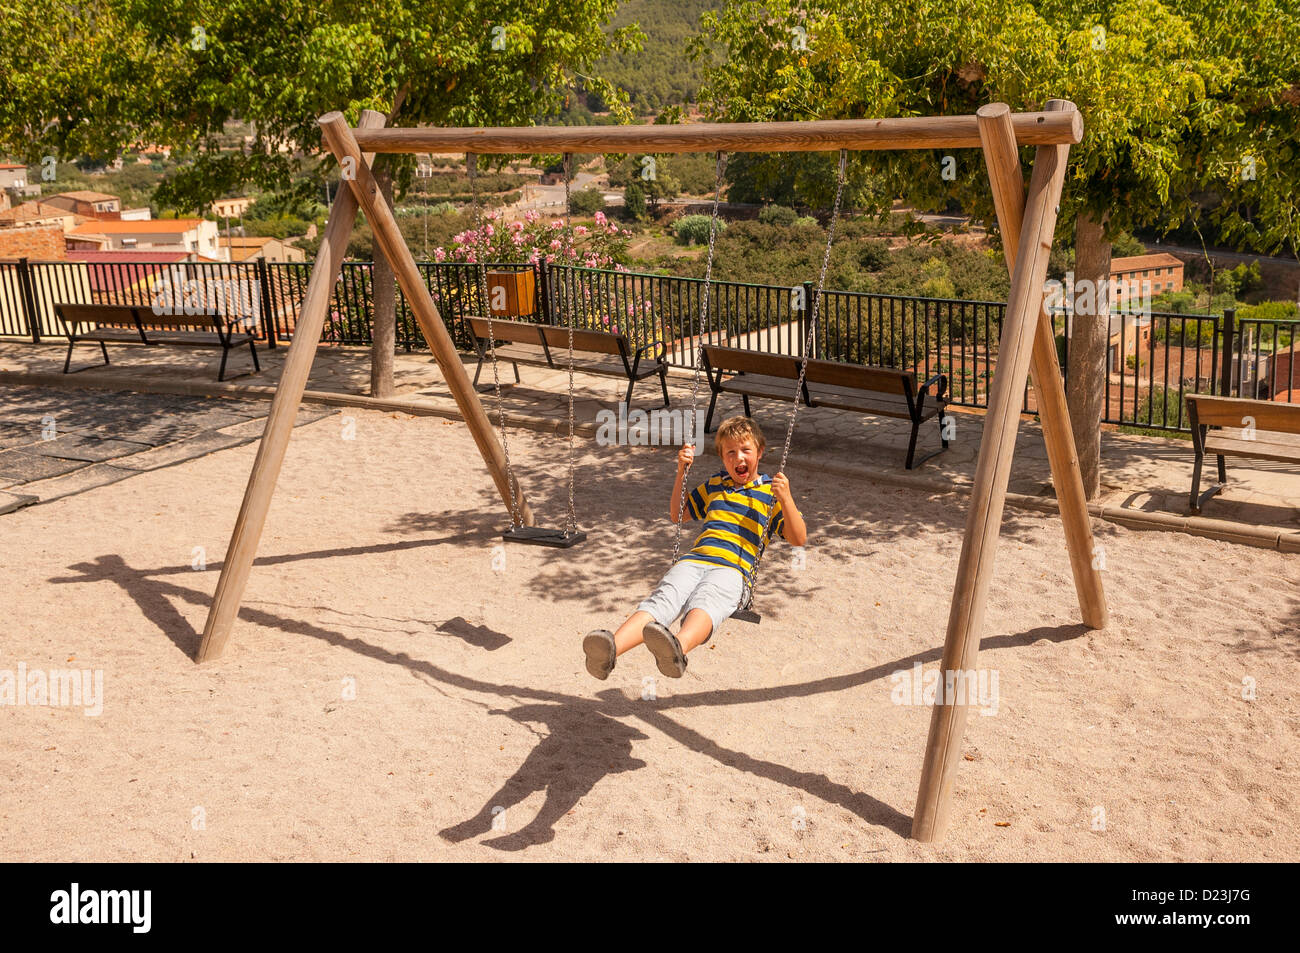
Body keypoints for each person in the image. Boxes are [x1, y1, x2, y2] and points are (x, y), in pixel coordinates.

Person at [583, 416, 807, 679]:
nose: (738, 458)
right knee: (664, 599)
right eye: (730, 453)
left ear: (759, 452)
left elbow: (798, 539)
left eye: (745, 450)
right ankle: (610, 650)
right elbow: (679, 514)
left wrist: (787, 498)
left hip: (733, 570)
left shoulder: (772, 493)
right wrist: (681, 473)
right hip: (695, 560)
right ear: (723, 458)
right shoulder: (715, 485)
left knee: (706, 601)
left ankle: (678, 648)